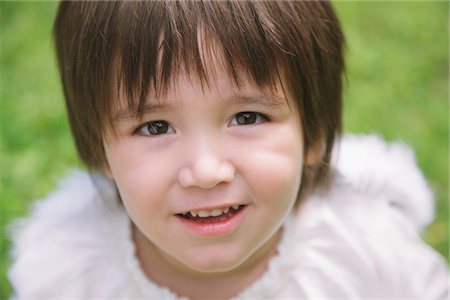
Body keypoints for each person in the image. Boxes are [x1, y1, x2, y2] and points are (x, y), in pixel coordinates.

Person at [8, 1, 448, 299]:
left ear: (314, 132)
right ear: (98, 148)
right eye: (155, 126)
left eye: (248, 117)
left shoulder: (367, 249)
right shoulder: (71, 279)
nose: (205, 170)